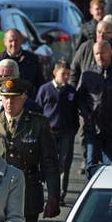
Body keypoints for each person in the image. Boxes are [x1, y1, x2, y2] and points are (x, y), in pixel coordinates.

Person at [0, 78, 60, 222]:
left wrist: (53, 196)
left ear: (24, 97)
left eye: (14, 98)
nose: (9, 102)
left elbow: (49, 163)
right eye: (6, 97)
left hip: (28, 194)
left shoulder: (39, 124)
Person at [77, 41, 112, 178]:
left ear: (110, 52)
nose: (100, 56)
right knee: (91, 164)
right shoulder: (88, 74)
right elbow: (79, 98)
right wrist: (86, 115)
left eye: (103, 52)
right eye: (97, 53)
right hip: (92, 127)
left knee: (111, 165)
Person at [35, 60, 79, 205]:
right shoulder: (45, 89)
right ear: (55, 73)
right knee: (46, 162)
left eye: (68, 74)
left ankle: (60, 195)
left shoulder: (71, 90)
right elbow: (38, 110)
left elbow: (75, 112)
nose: (66, 77)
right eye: (63, 74)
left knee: (64, 164)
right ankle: (42, 191)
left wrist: (74, 129)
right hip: (49, 133)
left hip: (66, 132)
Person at [0, 29, 44, 99]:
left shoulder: (32, 59)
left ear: (21, 41)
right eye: (10, 41)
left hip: (26, 102)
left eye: (16, 40)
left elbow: (40, 84)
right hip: (3, 102)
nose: (14, 44)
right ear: (4, 42)